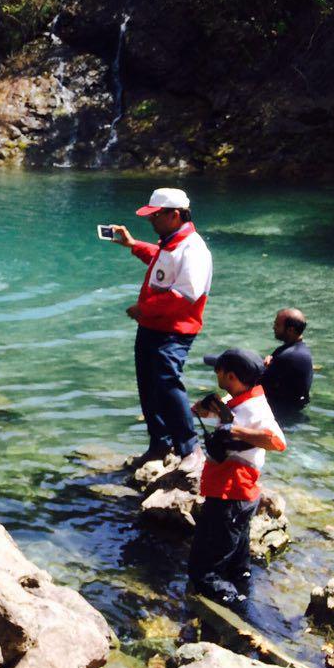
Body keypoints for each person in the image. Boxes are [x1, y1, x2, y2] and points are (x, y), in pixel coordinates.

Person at [108, 188, 213, 465]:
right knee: (149, 385)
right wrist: (133, 245)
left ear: (174, 215)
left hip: (174, 330)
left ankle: (190, 449)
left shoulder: (194, 249)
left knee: (168, 384)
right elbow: (160, 261)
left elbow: (185, 295)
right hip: (152, 327)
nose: (151, 221)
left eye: (155, 216)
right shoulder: (172, 243)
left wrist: (144, 308)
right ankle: (160, 444)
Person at [188, 348, 287, 604]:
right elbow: (231, 416)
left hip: (230, 494)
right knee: (236, 561)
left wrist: (236, 431)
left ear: (230, 376)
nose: (215, 373)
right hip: (237, 494)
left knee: (204, 569)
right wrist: (209, 410)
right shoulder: (243, 396)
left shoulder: (255, 410)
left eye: (218, 370)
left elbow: (277, 441)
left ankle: (229, 609)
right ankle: (242, 590)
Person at [262, 308, 312, 417]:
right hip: (293, 407)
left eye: (277, 325)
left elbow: (258, 383)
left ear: (290, 330)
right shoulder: (299, 350)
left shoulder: (289, 356)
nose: (273, 327)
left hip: (281, 413)